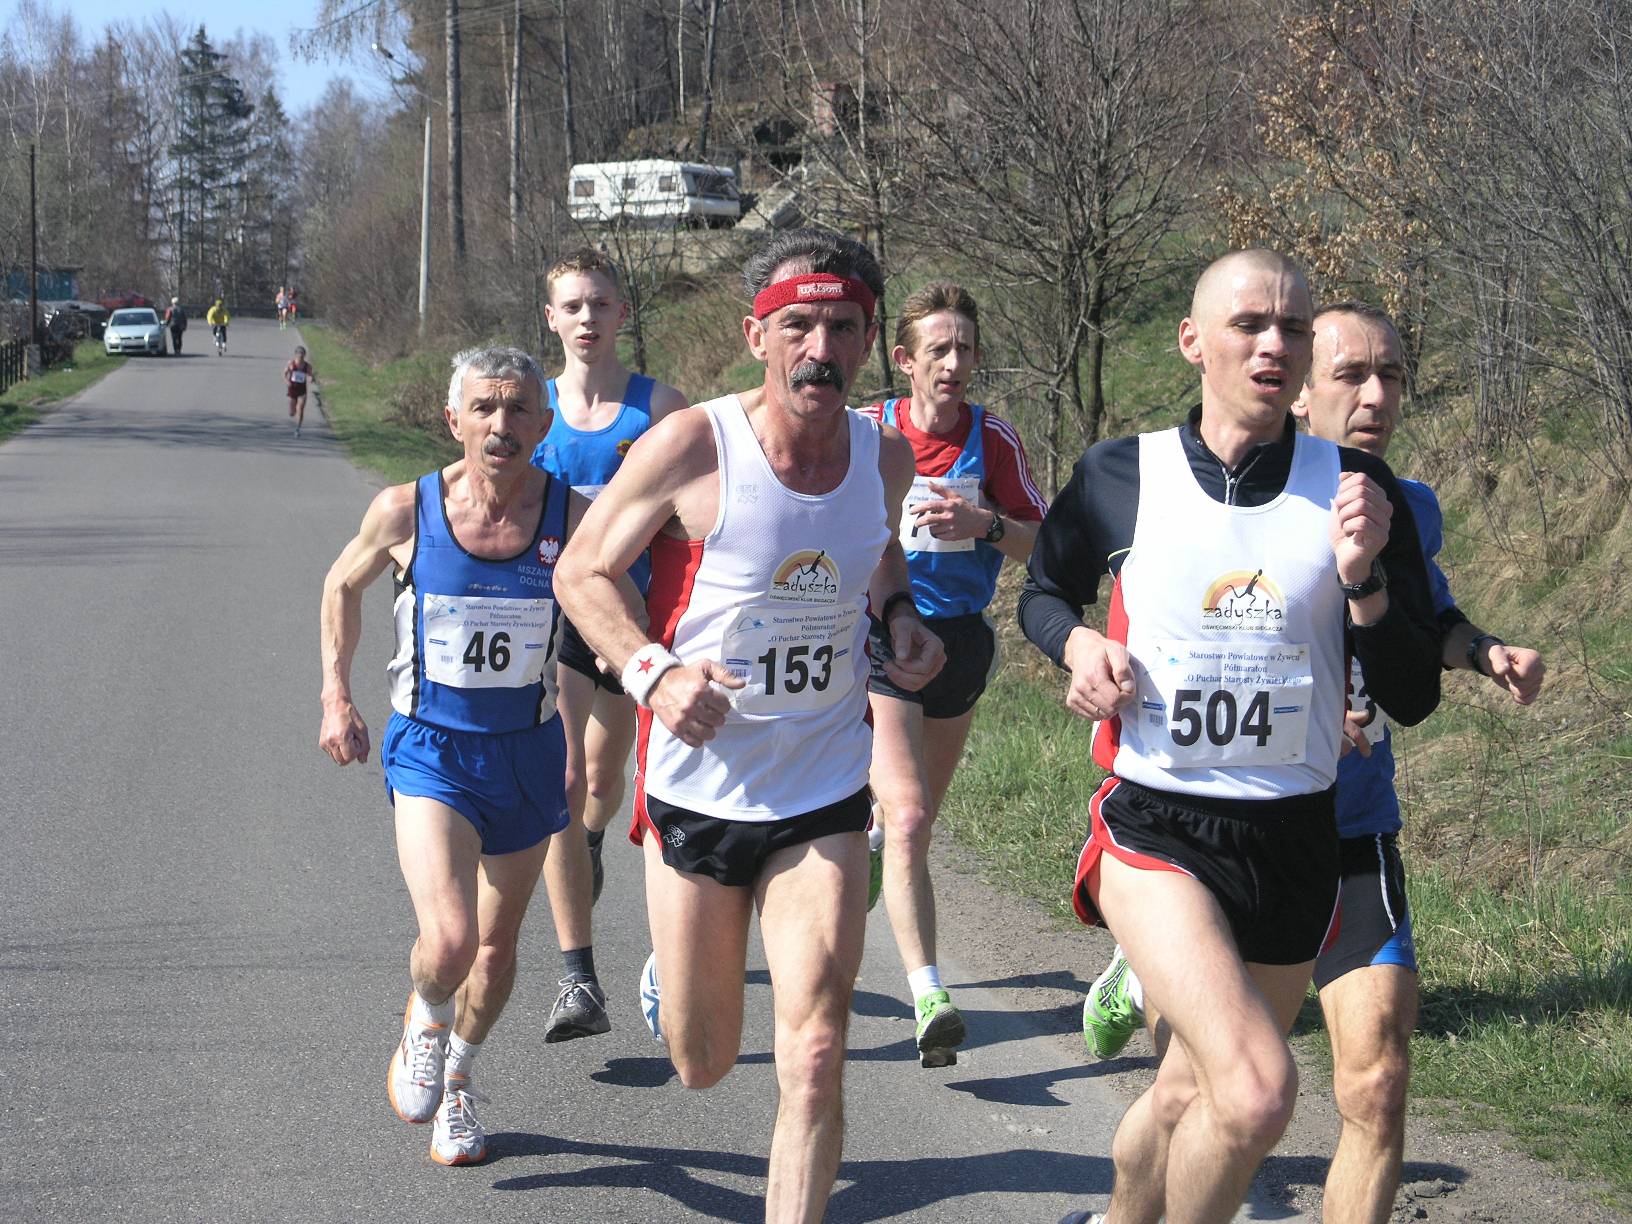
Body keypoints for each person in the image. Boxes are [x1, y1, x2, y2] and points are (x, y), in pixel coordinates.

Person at [1079, 302, 1547, 1224]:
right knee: (1191, 1091)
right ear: (1298, 392)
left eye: (1393, 376)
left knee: (1378, 1080)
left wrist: (1483, 650)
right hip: (1222, 836)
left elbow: (1426, 619)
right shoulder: (1204, 496)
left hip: (1350, 827)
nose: (1377, 397)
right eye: (1351, 376)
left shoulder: (1404, 506)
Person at [1022, 249, 1444, 1224]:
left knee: (1187, 1093)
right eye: (1249, 324)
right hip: (1157, 827)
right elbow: (1044, 590)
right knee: (1257, 1092)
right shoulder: (1122, 473)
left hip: (1296, 839)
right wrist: (1077, 645)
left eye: (1292, 328)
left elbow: (1413, 693)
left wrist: (1365, 580)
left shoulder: (1357, 486)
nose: (1272, 345)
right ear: (1192, 340)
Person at [554, 228, 945, 1223]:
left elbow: (876, 551)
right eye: (798, 325)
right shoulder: (695, 446)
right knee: (704, 1061)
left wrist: (900, 616)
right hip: (699, 787)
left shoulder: (884, 457)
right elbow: (582, 571)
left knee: (813, 1052)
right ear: (755, 335)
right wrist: (652, 674)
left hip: (823, 785)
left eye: (844, 327)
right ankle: (682, 972)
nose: (821, 349)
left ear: (868, 342)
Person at [318, 345, 613, 1166]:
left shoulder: (573, 517)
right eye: (484, 407)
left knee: (494, 948)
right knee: (450, 941)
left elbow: (621, 601)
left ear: (544, 424)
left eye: (518, 409)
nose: (500, 424)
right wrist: (336, 695)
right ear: (454, 420)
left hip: (527, 753)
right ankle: (424, 1014)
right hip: (432, 751)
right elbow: (341, 585)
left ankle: (458, 1081)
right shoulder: (405, 510)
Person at [855, 282, 1048, 1067]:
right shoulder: (869, 431)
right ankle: (930, 995)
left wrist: (985, 525)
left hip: (962, 643)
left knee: (916, 820)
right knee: (909, 817)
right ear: (906, 361)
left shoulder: (992, 439)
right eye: (938, 349)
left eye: (965, 347)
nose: (954, 362)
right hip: (883, 636)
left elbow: (1046, 547)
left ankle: (873, 839)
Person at [528, 248, 689, 1044]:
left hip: (635, 624)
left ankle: (589, 841)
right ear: (551, 319)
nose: (587, 318)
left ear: (623, 314)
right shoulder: (532, 409)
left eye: (600, 304)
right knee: (565, 778)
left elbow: (694, 515)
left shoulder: (660, 409)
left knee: (603, 779)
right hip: (558, 618)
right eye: (573, 306)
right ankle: (578, 981)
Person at [285, 345, 316, 438]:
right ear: (295, 355)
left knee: (300, 408)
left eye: (302, 356)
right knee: (292, 412)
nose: (300, 357)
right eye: (299, 355)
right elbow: (284, 373)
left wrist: (311, 378)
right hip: (292, 389)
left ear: (304, 356)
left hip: (302, 390)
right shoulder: (291, 363)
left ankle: (297, 429)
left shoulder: (307, 366)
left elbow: (310, 375)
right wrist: (286, 381)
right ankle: (292, 411)